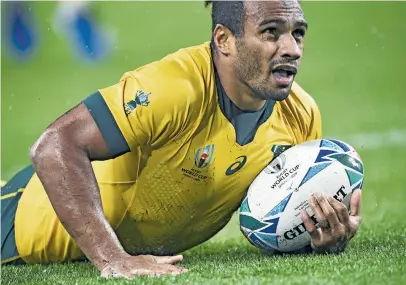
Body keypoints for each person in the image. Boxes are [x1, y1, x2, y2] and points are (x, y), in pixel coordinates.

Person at [1, 0, 362, 279]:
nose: (292, 49)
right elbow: (55, 146)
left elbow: (281, 217)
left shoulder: (301, 115)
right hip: (17, 224)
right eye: (270, 32)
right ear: (224, 40)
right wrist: (113, 259)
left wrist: (320, 234)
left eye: (298, 33)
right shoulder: (175, 87)